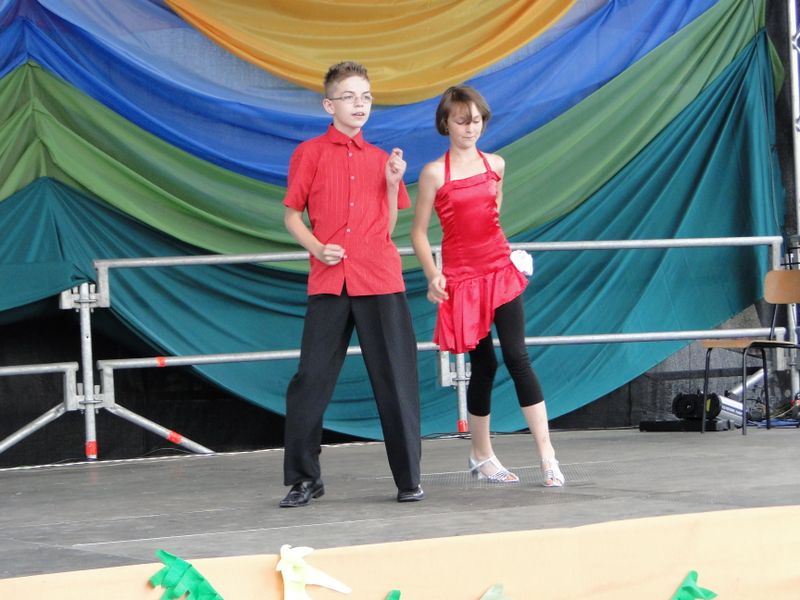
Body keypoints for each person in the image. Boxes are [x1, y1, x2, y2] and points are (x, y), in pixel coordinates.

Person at [280, 61, 424, 507]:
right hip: (329, 279)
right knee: (310, 379)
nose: (359, 104)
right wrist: (317, 247)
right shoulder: (309, 153)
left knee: (396, 377)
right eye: (349, 97)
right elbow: (291, 216)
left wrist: (393, 182)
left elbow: (389, 225)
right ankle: (305, 478)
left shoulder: (382, 160)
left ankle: (409, 479)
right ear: (330, 105)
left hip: (379, 277)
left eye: (366, 97)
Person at [410, 85, 564, 487]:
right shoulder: (434, 173)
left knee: (517, 356)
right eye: (462, 121)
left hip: (499, 270)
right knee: (484, 365)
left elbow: (492, 211)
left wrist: (500, 252)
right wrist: (433, 273)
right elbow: (419, 232)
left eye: (476, 120)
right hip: (463, 279)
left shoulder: (496, 164)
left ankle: (547, 455)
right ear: (446, 124)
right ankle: (481, 454)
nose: (470, 128)